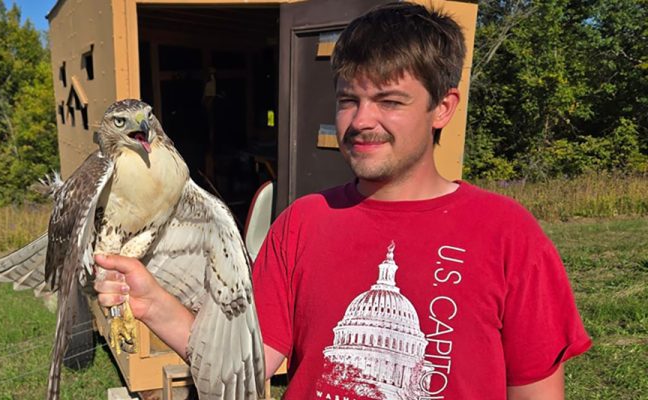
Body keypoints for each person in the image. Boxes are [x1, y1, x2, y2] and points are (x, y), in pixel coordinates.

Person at [95, 2, 592, 399]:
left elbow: (535, 389)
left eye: (390, 101)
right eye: (349, 99)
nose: (360, 121)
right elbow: (240, 368)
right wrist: (154, 303)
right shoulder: (303, 223)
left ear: (443, 108)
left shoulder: (507, 232)